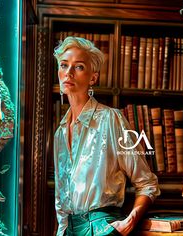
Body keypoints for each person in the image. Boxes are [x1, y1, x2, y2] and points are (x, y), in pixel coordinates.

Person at [53, 36, 160, 236]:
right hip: (68, 229)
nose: (68, 73)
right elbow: (61, 201)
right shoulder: (60, 132)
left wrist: (128, 223)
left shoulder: (112, 120)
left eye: (79, 67)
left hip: (102, 227)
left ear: (93, 78)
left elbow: (147, 183)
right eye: (64, 65)